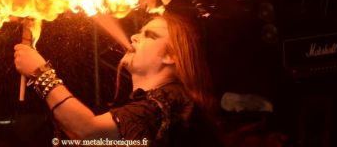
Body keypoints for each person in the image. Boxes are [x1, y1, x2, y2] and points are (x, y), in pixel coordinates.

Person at [14, 11, 222, 146]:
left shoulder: (169, 104)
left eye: (150, 35)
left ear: (171, 56)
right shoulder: (157, 104)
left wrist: (41, 74)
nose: (134, 37)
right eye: (140, 32)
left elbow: (89, 132)